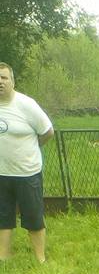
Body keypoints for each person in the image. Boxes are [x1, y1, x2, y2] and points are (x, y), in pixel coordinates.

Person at [0, 62, 54, 263]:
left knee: (33, 217)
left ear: (12, 81)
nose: (0, 82)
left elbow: (47, 132)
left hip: (27, 173)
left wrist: (32, 147)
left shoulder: (26, 104)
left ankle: (40, 259)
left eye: (4, 78)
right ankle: (4, 257)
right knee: (3, 217)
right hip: (1, 173)